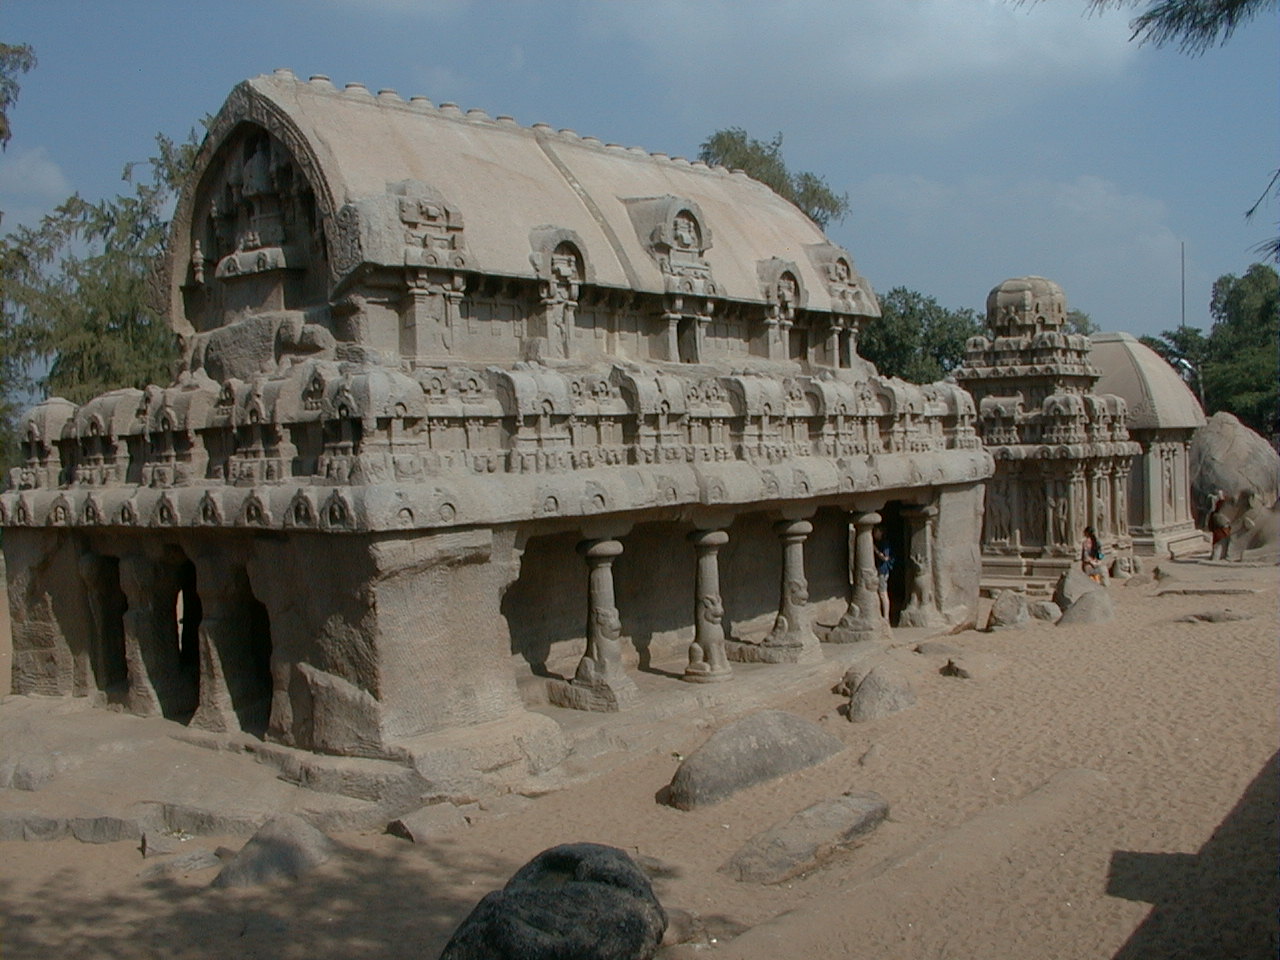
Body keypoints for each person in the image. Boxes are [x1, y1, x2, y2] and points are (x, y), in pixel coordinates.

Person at [872, 526, 894, 620]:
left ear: (881, 532)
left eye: (876, 531)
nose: (874, 533)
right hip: (879, 570)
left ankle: (886, 617)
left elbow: (885, 558)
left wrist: (875, 549)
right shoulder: (879, 542)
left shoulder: (884, 544)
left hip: (883, 570)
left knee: (882, 593)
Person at [1208, 489, 1231, 561]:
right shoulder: (1217, 509)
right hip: (1220, 530)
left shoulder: (1223, 504)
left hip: (1222, 530)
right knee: (1218, 545)